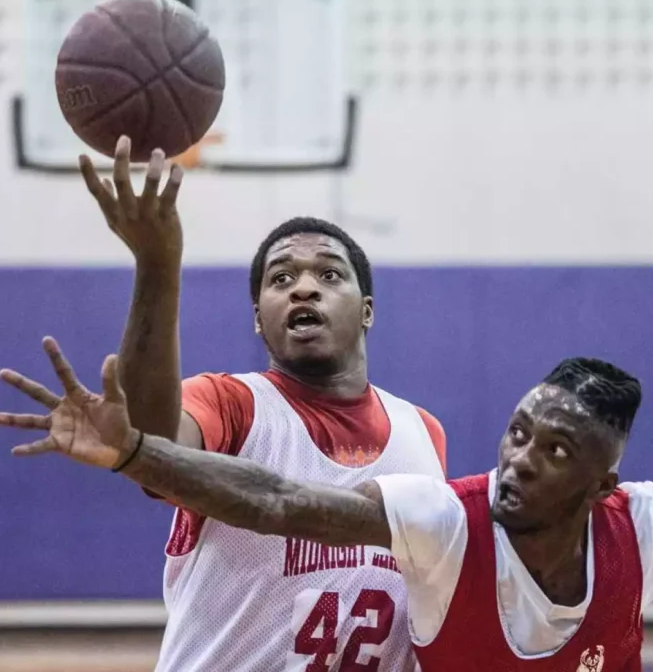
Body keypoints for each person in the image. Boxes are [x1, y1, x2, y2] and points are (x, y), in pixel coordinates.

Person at [0, 272, 653, 672]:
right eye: (520, 429)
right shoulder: (449, 523)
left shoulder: (645, 525)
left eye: (555, 448)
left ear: (604, 480)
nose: (520, 458)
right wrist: (133, 452)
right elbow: (284, 500)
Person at [70, 136, 447, 671]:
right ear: (257, 317)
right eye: (282, 278)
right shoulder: (232, 404)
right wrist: (157, 263)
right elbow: (149, 447)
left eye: (329, 274)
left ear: (367, 311)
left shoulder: (423, 432)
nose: (304, 289)